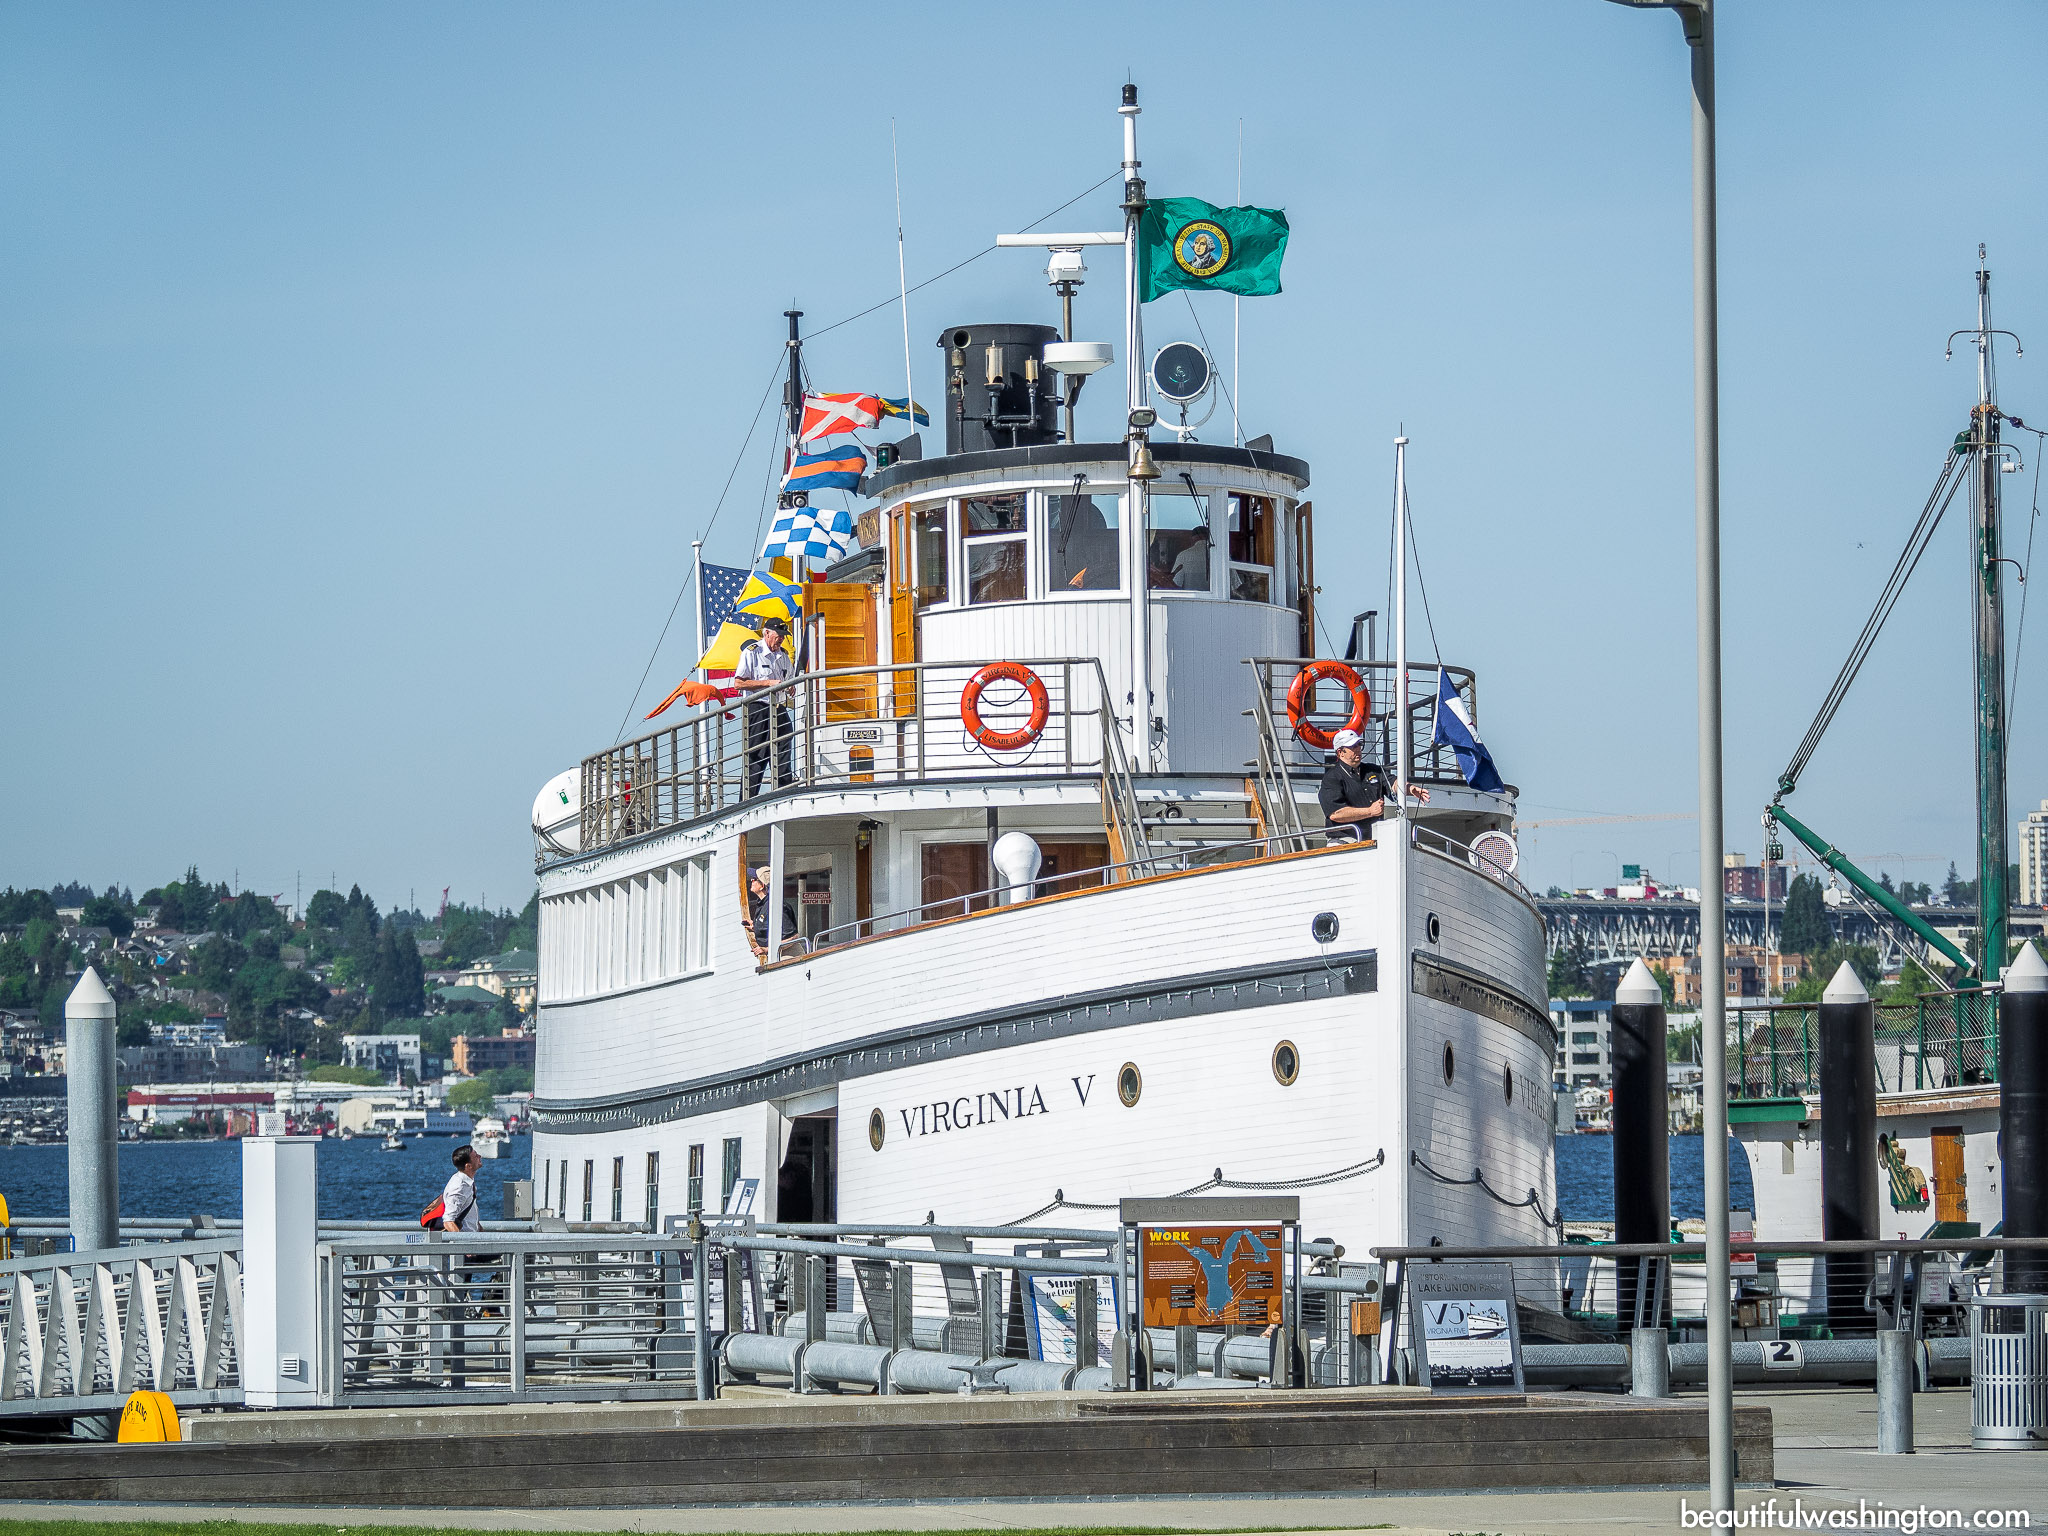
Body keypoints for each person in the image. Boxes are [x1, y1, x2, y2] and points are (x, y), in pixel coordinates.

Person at [1318, 728, 1429, 844]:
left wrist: (1410, 788)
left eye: (1359, 744)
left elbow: (1393, 783)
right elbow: (1336, 814)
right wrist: (1370, 811)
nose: (1358, 749)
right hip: (1343, 840)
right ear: (1340, 752)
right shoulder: (1331, 778)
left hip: (1373, 841)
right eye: (1353, 746)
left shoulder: (1373, 770)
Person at [735, 619, 795, 798]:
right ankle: (747, 800)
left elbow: (789, 679)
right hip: (758, 708)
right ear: (766, 633)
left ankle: (784, 793)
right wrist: (768, 683)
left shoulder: (783, 656)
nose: (780, 641)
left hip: (778, 706)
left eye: (783, 638)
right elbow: (739, 683)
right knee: (757, 755)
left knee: (784, 744)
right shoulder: (753, 652)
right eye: (778, 637)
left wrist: (791, 687)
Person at [745, 865, 801, 961]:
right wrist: (755, 927)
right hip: (776, 956)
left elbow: (793, 937)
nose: (751, 881)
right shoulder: (763, 904)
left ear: (762, 886)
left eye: (754, 879)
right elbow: (770, 926)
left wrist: (767, 949)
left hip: (788, 957)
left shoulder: (776, 906)